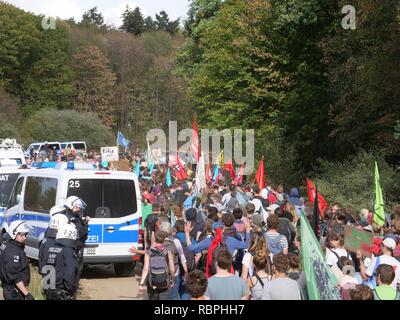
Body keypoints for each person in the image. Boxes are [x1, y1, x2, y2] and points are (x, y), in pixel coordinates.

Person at [42, 223, 79, 300]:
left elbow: (43, 267)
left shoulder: (49, 248)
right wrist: (70, 290)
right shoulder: (68, 251)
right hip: (61, 292)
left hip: (48, 289)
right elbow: (70, 273)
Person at [0, 220, 34, 300]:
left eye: (26, 235)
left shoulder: (7, 244)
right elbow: (15, 276)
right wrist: (27, 294)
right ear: (14, 234)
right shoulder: (14, 251)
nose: (25, 237)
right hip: (14, 291)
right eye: (22, 235)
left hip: (10, 289)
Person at [138, 231, 175, 300]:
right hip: (165, 283)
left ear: (154, 239)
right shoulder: (167, 252)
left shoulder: (149, 253)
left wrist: (141, 284)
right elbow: (172, 270)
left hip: (152, 283)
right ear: (164, 240)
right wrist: (172, 280)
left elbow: (145, 269)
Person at [63, 196, 89, 287]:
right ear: (70, 206)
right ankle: (70, 290)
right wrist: (86, 225)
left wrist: (84, 222)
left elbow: (84, 236)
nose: (79, 209)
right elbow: (80, 234)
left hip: (79, 248)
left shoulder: (77, 217)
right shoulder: (69, 219)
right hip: (74, 248)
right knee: (74, 270)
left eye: (79, 207)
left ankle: (73, 289)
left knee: (78, 270)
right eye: (77, 207)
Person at [39, 206, 69, 274]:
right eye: (62, 213)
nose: (64, 215)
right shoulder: (49, 231)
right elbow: (42, 253)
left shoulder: (65, 228)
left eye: (64, 213)